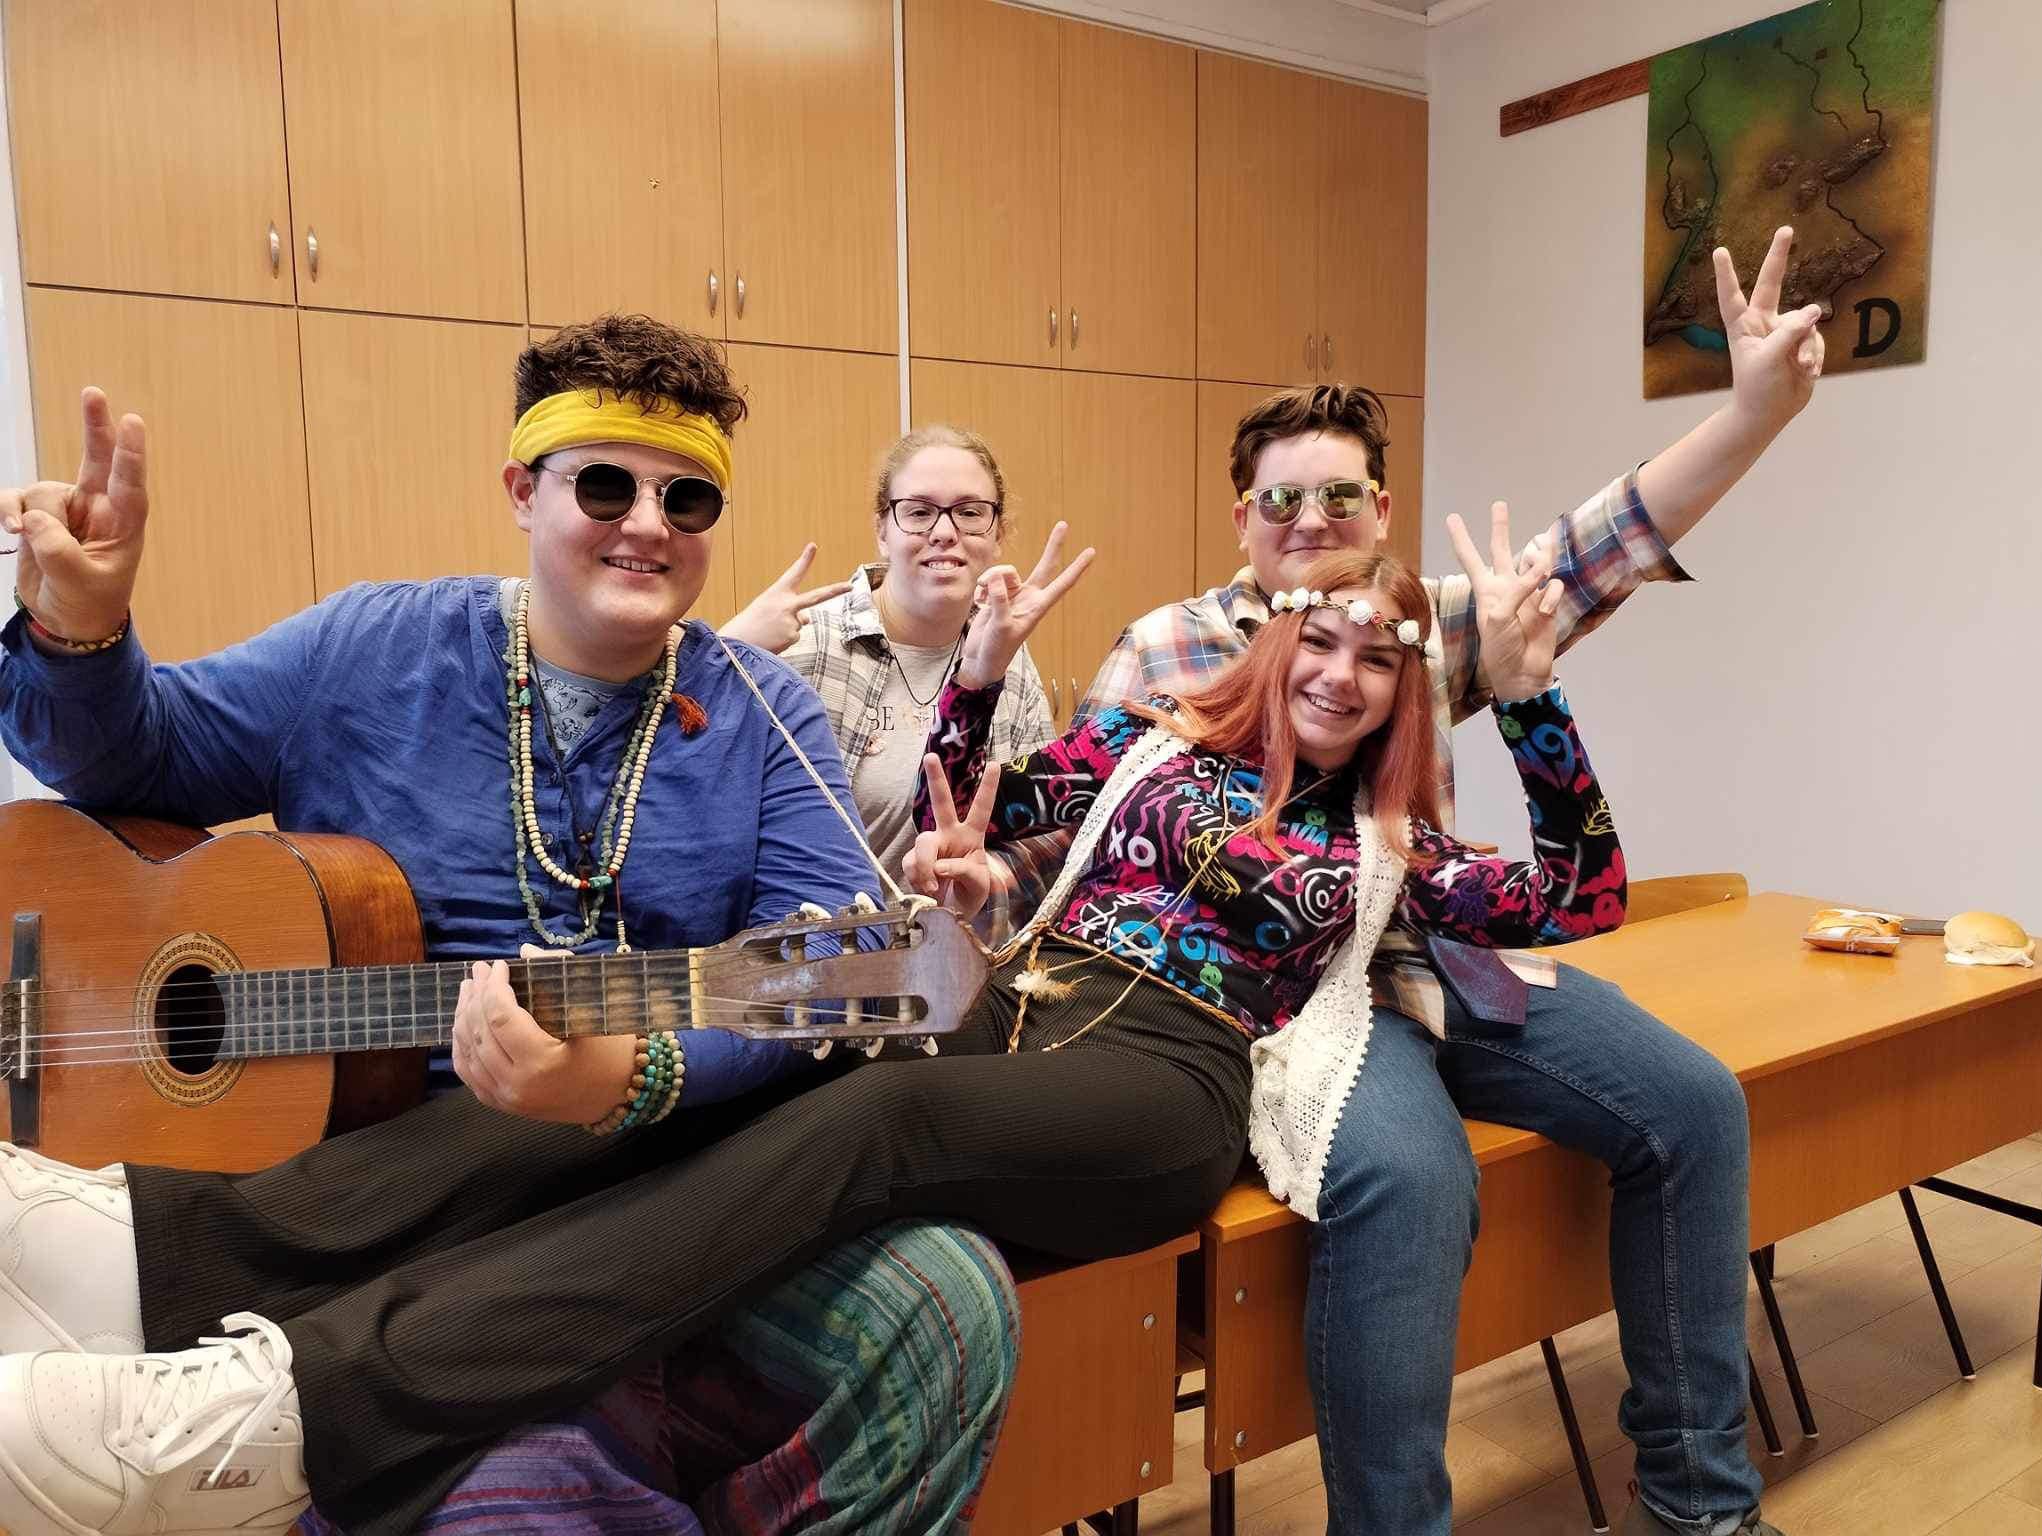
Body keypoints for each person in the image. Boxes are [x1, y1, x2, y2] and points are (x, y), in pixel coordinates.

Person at [0, 513, 1617, 1535]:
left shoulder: (1393, 846)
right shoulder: (1156, 749)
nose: (1339, 674)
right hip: (1008, 1006)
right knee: (732, 1022)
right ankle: (157, 1247)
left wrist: (1534, 692)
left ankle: (279, 1416)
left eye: (1377, 660)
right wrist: (977, 703)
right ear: (1276, 642)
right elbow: (969, 794)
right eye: (1318, 638)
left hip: (1160, 1088)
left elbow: (1579, 891)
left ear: (1407, 692)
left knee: (872, 1116)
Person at [0, 313, 1015, 1536]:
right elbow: (131, 759)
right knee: (511, 1501)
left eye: (687, 499)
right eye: (604, 485)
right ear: (521, 491)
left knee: (948, 1298)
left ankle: (186, 1322)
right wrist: (80, 631)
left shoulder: (759, 710)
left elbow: (833, 978)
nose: (647, 524)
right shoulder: (370, 647)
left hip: (658, 1171)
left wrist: (631, 1075)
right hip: (352, 1171)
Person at [987, 228, 1825, 1536]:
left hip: (1428, 948)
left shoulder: (1424, 623)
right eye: (1281, 501)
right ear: (1241, 519)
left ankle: (1700, 1507)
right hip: (1274, 1008)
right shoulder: (1167, 647)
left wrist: (1751, 414)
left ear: (1380, 511)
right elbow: (1064, 844)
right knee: (1415, 1180)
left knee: (1695, 1104)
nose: (1310, 521)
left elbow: (1600, 544)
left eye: (1340, 498)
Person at [775, 424, 1073, 882]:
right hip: (832, 924)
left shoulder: (1008, 656)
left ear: (998, 534)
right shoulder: (807, 643)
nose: (945, 532)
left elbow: (1041, 832)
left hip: (965, 923)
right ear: (882, 531)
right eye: (919, 512)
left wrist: (990, 878)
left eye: (969, 512)